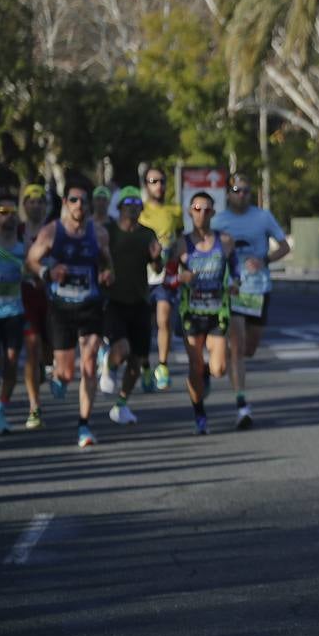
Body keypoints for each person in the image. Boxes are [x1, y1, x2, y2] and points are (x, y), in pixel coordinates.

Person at [25, 174, 113, 448]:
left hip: (90, 305)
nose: (79, 205)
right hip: (61, 309)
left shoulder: (99, 233)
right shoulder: (52, 232)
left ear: (89, 205)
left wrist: (108, 274)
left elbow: (107, 263)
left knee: (89, 363)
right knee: (65, 373)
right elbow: (31, 260)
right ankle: (58, 376)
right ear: (65, 202)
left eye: (83, 201)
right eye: (73, 200)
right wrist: (48, 272)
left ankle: (84, 425)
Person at [212, 173, 290, 429]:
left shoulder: (263, 217)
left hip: (258, 290)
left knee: (248, 349)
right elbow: (206, 248)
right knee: (237, 346)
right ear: (228, 193)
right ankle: (242, 405)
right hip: (232, 290)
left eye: (246, 190)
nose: (242, 195)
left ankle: (223, 356)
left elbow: (284, 246)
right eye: (237, 190)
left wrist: (264, 260)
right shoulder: (218, 220)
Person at [172, 192, 235, 435]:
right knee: (194, 366)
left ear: (213, 213)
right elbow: (166, 276)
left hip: (217, 311)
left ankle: (208, 373)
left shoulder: (225, 240)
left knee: (219, 368)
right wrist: (181, 277)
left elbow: (236, 270)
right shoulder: (182, 243)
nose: (202, 214)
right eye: (197, 209)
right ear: (190, 212)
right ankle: (199, 414)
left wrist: (236, 283)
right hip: (191, 313)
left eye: (207, 210)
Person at [100, 188, 162, 425]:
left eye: (137, 203)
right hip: (114, 301)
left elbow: (157, 269)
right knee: (122, 350)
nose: (133, 207)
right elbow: (97, 259)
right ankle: (108, 364)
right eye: (128, 203)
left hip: (140, 302)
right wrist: (102, 274)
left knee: (137, 361)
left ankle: (121, 405)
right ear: (119, 208)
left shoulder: (147, 234)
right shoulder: (109, 232)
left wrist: (156, 257)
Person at [0, 191, 35, 434]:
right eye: (4, 212)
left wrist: (34, 277)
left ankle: (0, 413)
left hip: (14, 312)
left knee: (12, 363)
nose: (10, 216)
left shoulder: (23, 244)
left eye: (14, 212)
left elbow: (32, 269)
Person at [138, 166, 181, 391]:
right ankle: (145, 366)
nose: (159, 185)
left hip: (165, 276)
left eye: (162, 181)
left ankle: (163, 366)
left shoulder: (175, 210)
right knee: (143, 325)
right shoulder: (140, 211)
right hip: (141, 276)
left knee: (163, 319)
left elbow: (180, 240)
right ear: (146, 185)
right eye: (153, 181)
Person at [18, 183, 53, 427]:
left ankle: (44, 365)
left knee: (49, 351)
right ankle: (34, 406)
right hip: (25, 295)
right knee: (32, 347)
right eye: (32, 201)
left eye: (40, 202)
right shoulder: (18, 230)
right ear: (25, 205)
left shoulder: (54, 229)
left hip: (51, 297)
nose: (36, 206)